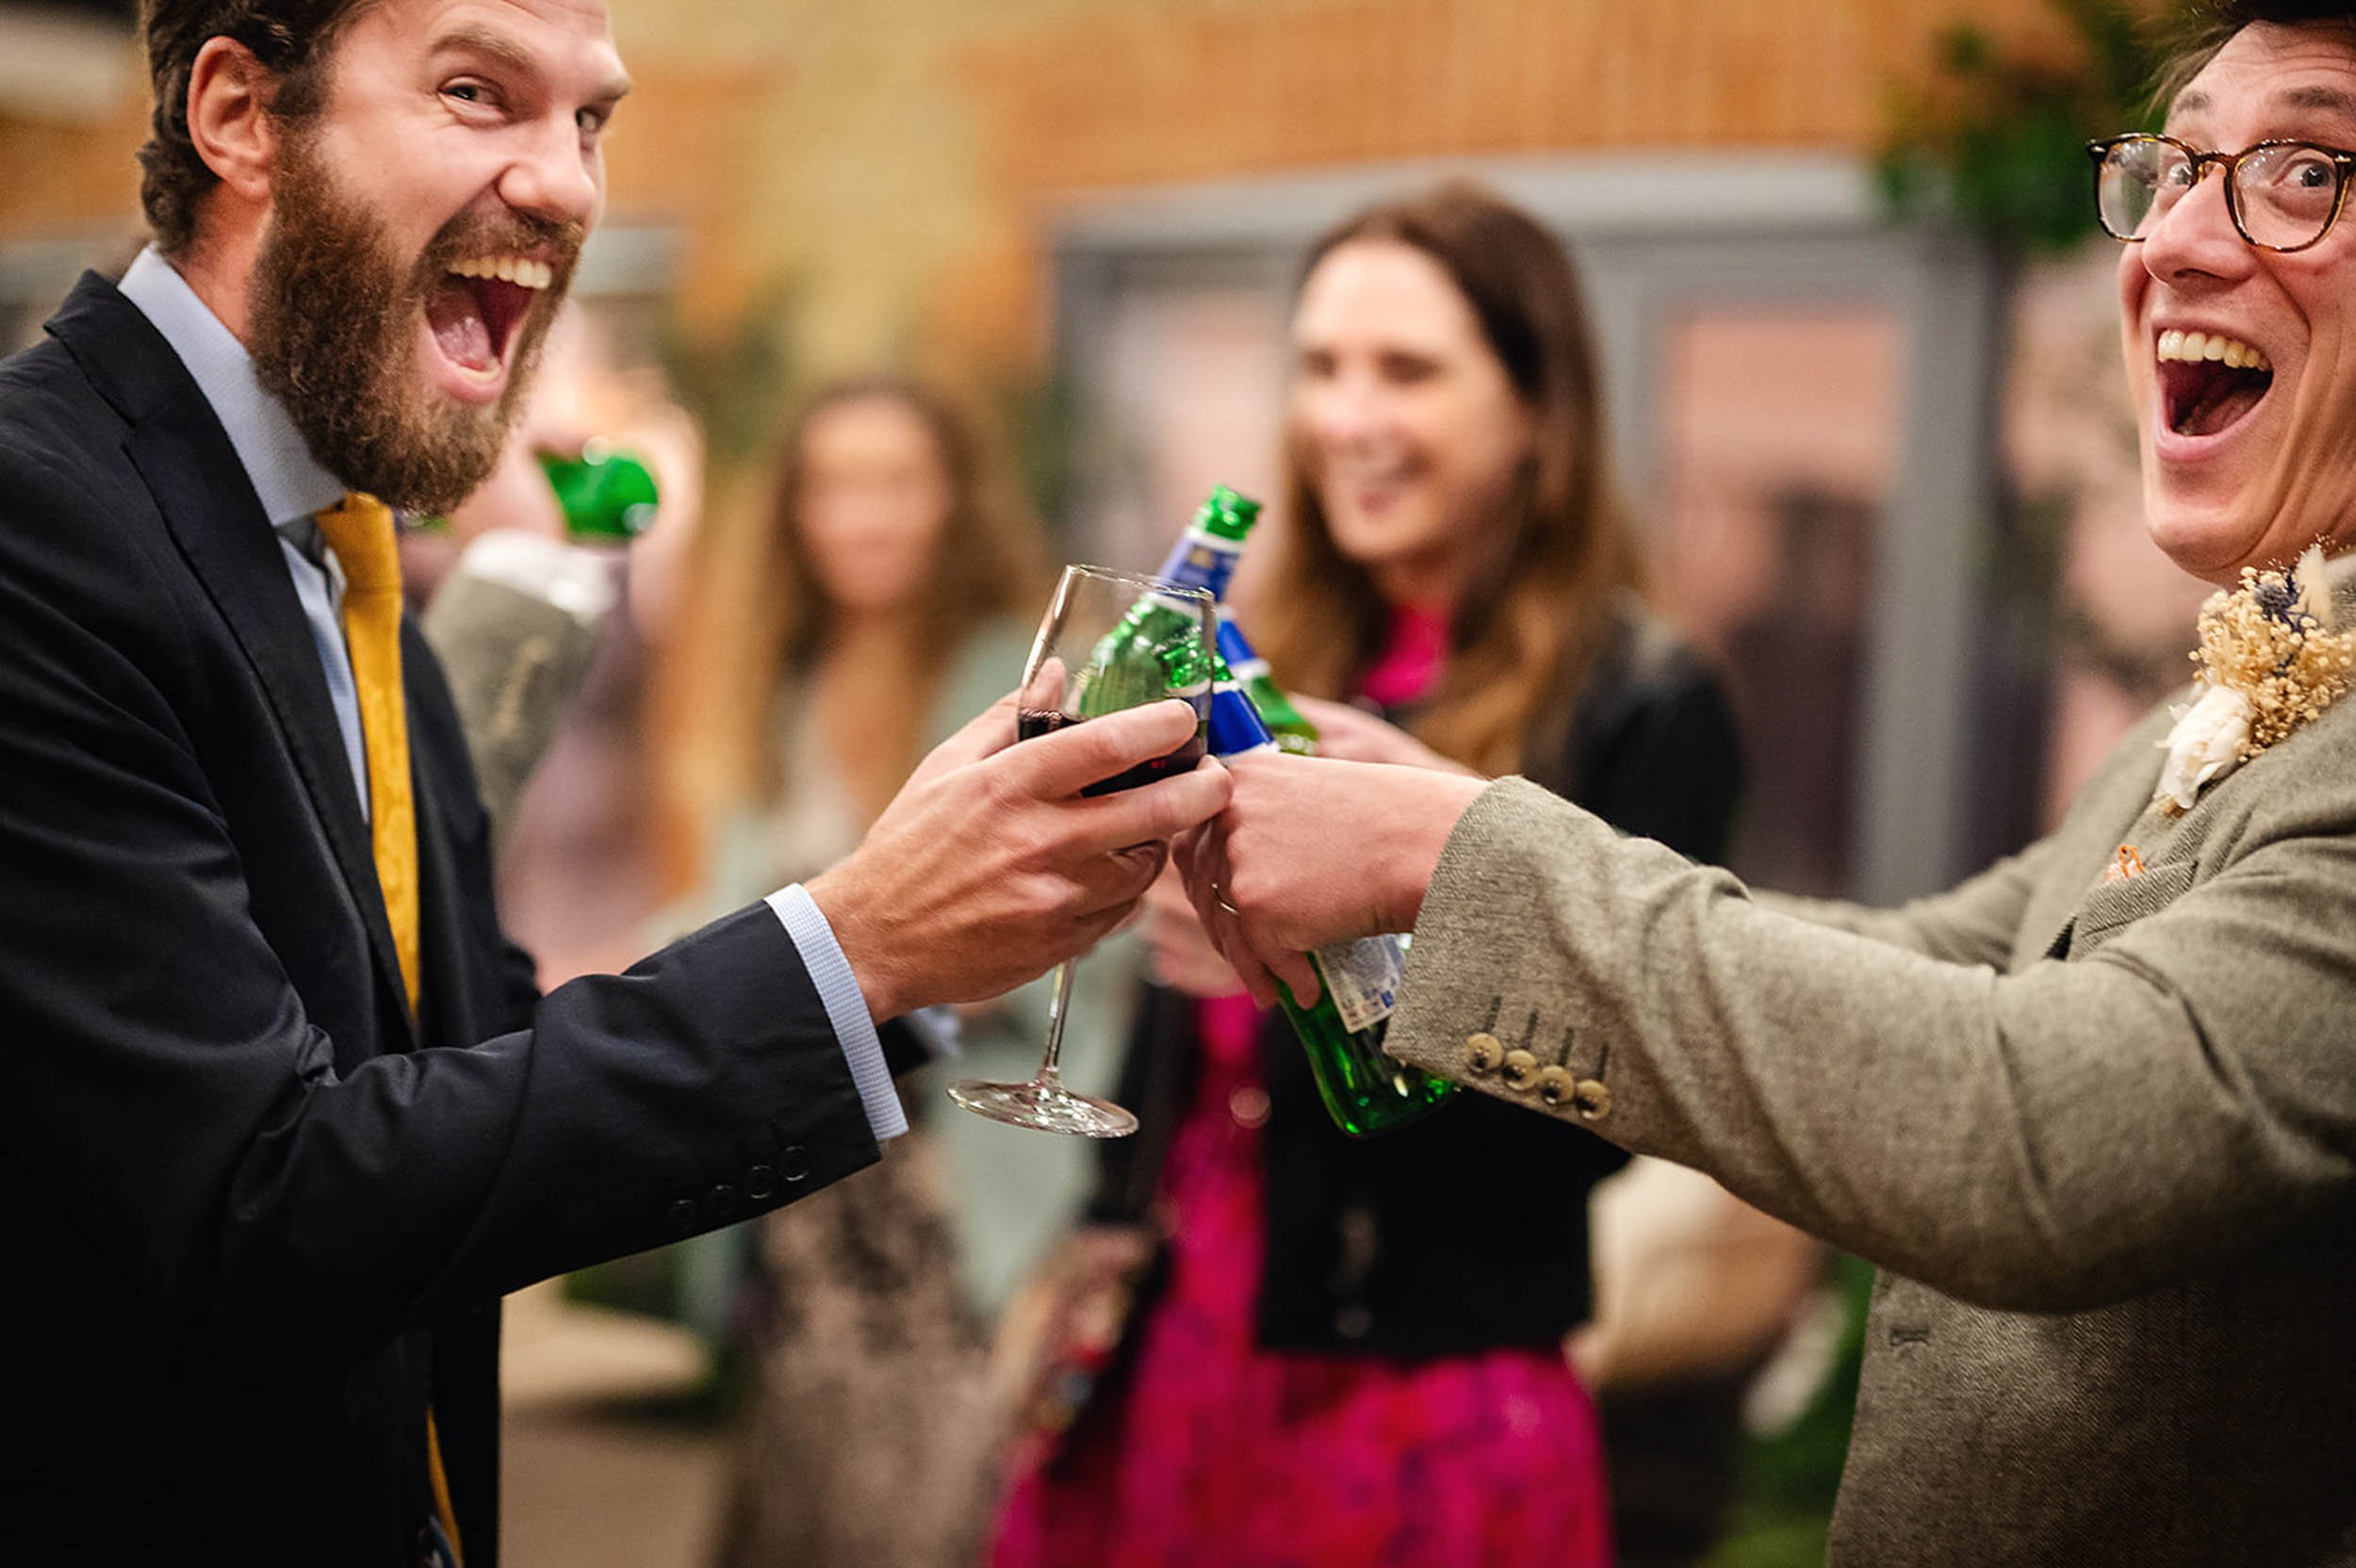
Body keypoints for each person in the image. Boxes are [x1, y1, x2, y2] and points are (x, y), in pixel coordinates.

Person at [0, 2, 1227, 1563]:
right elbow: (261, 1201)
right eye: (475, 92)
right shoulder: (39, 525)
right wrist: (855, 949)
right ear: (239, 112)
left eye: (590, 120)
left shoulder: (337, 550)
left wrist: (920, 960)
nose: (573, 185)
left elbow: (469, 1066)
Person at [1182, 6, 2356, 1564]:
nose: (2178, 242)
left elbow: (2042, 1126)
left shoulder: (1653, 686)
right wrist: (1433, 838)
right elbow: (1934, 959)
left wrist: (1463, 850)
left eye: (2303, 170)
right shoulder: (2218, 707)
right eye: (2180, 164)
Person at [988, 184, 1745, 1567]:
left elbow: (1605, 1116)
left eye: (1407, 370)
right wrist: (1102, 1222)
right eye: (1323, 366)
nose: (1348, 417)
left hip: (1418, 1392)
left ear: (1534, 412)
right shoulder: (1273, 650)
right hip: (1176, 1342)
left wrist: (1317, 963)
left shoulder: (1645, 702)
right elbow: (1176, 1028)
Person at [694, 379, 1046, 1568]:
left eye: (896, 481)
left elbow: (1084, 953)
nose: (866, 516)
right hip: (806, 1191)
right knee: (807, 1507)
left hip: (959, 1199)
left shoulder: (1019, 680)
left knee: (938, 1516)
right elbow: (732, 911)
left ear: (953, 497)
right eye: (835, 485)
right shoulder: (778, 686)